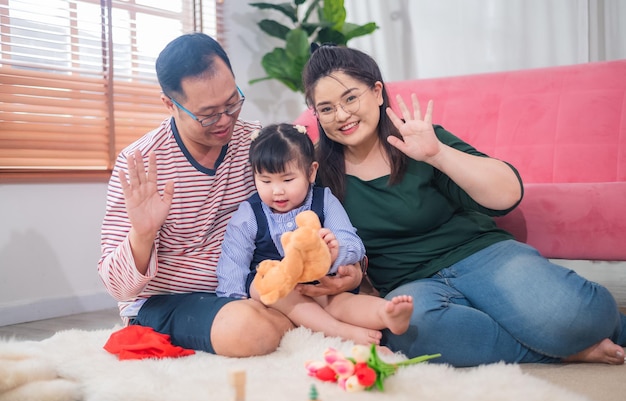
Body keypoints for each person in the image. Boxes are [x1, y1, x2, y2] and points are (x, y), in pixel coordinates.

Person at [299, 44, 626, 367]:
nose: (342, 115)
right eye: (326, 108)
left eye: (350, 98)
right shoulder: (316, 170)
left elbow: (508, 194)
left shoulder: (418, 138)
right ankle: (563, 351)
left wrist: (437, 154)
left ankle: (571, 337)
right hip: (410, 284)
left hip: (481, 255)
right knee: (412, 334)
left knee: (578, 319)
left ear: (377, 92)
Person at [97, 33, 363, 357]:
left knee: (344, 299)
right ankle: (307, 322)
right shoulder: (140, 165)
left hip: (254, 286)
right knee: (248, 330)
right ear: (170, 104)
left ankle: (304, 318)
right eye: (208, 114)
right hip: (170, 301)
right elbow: (117, 287)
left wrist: (349, 261)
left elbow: (308, 207)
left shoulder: (253, 141)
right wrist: (143, 234)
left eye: (232, 102)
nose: (225, 121)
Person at [216, 123, 414, 346]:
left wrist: (335, 252)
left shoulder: (324, 200)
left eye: (287, 180)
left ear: (311, 172)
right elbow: (233, 260)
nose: (277, 190)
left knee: (340, 302)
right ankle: (337, 330)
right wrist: (232, 301)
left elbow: (352, 242)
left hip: (319, 283)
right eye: (265, 181)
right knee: (266, 287)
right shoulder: (249, 213)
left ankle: (385, 314)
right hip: (277, 288)